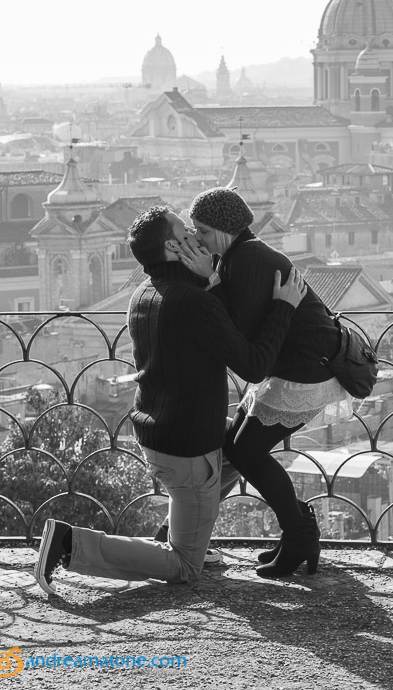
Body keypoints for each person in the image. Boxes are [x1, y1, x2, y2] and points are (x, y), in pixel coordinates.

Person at [34, 206, 305, 594]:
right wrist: (283, 308)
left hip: (162, 432)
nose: (195, 235)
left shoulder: (143, 295)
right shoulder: (192, 302)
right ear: (172, 247)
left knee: (239, 450)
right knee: (183, 566)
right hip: (189, 449)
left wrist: (207, 280)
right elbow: (254, 366)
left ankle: (193, 530)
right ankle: (70, 544)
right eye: (185, 231)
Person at [174, 187, 351, 578]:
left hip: (303, 373)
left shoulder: (249, 259)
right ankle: (297, 531)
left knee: (247, 452)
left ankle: (300, 533)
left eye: (202, 230)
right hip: (294, 369)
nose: (197, 238)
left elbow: (238, 338)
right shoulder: (240, 255)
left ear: (223, 228)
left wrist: (209, 279)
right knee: (238, 451)